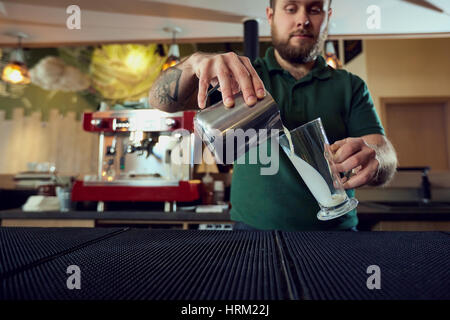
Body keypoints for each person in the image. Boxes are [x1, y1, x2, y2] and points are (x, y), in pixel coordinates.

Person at [148, 0, 398, 231]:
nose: (303, 20)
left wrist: (375, 157)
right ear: (270, 15)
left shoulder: (349, 85)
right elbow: (160, 101)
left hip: (335, 235)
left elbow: (381, 150)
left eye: (314, 9)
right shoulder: (240, 78)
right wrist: (194, 63)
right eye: (291, 8)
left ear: (327, 16)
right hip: (252, 234)